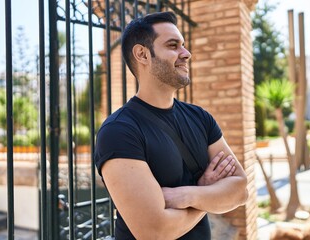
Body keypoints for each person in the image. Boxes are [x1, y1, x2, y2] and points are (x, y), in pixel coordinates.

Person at [95, 11, 248, 239]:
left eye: (183, 45)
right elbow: (153, 231)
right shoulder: (119, 130)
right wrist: (208, 193)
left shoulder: (200, 117)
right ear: (142, 54)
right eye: (173, 45)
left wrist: (188, 194)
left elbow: (240, 190)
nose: (186, 53)